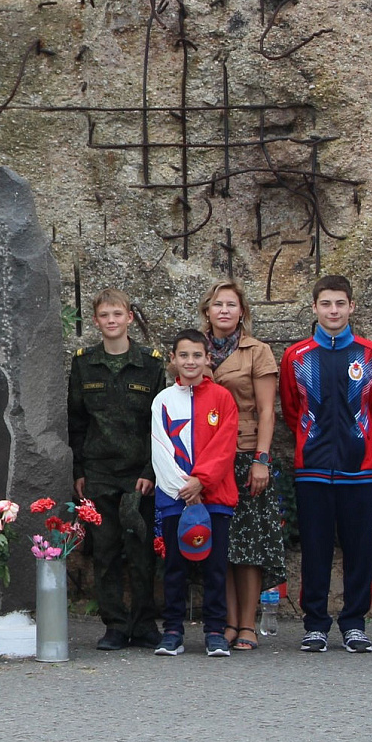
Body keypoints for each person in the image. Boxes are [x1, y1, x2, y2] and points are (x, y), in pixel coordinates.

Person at [279, 275, 372, 654]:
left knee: (360, 548)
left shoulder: (371, 354)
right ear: (315, 308)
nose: (333, 311)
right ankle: (315, 624)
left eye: (340, 304)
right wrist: (314, 440)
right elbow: (293, 411)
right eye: (326, 304)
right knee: (315, 547)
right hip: (312, 467)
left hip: (358, 467)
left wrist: (357, 442)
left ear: (351, 307)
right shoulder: (297, 356)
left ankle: (355, 623)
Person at [67, 289, 166, 651]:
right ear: (95, 321)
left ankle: (143, 624)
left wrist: (151, 471)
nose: (111, 320)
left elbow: (160, 424)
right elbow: (76, 421)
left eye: (117, 314)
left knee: (142, 552)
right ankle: (114, 624)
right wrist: (78, 468)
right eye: (104, 315)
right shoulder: (83, 364)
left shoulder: (151, 364)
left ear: (129, 318)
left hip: (138, 471)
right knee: (105, 551)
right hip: (99, 471)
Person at [201, 280, 284, 652]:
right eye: (217, 304)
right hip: (208, 457)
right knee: (222, 544)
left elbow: (268, 411)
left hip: (246, 453)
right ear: (207, 311)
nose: (224, 311)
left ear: (241, 312)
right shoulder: (194, 350)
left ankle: (248, 623)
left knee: (248, 541)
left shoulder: (257, 352)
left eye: (231, 305)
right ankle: (228, 622)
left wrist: (262, 459)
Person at [149, 329, 240, 657]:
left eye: (197, 356)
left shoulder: (222, 399)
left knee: (215, 566)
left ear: (207, 359)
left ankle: (215, 630)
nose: (190, 362)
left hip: (215, 496)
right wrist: (185, 489)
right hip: (176, 497)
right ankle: (172, 630)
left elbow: (225, 444)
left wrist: (201, 482)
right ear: (172, 359)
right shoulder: (162, 401)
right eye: (183, 355)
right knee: (175, 565)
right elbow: (160, 447)